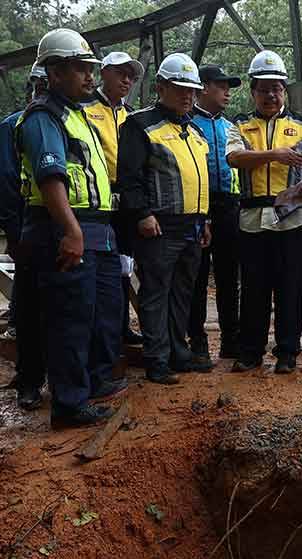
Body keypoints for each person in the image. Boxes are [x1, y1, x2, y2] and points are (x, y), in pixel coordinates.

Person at [16, 29, 123, 428]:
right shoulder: (43, 118)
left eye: (90, 69)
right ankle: (69, 404)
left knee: (96, 314)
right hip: (64, 228)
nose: (89, 77)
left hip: (94, 229)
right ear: (56, 72)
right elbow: (50, 177)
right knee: (70, 321)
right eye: (81, 69)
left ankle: (89, 389)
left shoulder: (75, 115)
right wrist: (71, 231)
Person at [226, 50, 302, 374]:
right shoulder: (240, 124)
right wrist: (274, 154)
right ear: (253, 91)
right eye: (263, 89)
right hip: (253, 218)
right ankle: (250, 352)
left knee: (290, 288)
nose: (270, 95)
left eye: (276, 88)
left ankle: (287, 353)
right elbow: (234, 158)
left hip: (293, 218)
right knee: (254, 288)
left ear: (284, 90)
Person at [117, 53, 212, 385]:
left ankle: (177, 352)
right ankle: (157, 360)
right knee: (156, 292)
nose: (188, 95)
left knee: (182, 293)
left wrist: (206, 219)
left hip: (193, 225)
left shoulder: (195, 131)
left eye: (192, 90)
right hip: (160, 226)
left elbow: (199, 179)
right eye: (179, 88)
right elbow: (129, 177)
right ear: (160, 87)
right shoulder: (140, 125)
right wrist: (142, 214)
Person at [82, 51, 145, 347]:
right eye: (121, 73)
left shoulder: (131, 114)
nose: (127, 80)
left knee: (123, 266)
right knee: (96, 268)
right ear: (103, 72)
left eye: (131, 75)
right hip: (96, 202)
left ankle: (120, 328)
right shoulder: (84, 108)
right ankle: (98, 333)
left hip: (126, 201)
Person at [188, 64, 242, 360]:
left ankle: (231, 340)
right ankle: (197, 343)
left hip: (230, 207)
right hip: (199, 206)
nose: (227, 92)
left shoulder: (230, 126)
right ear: (204, 87)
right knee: (196, 278)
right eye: (222, 86)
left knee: (228, 276)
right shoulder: (188, 124)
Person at [2, 65, 48, 410]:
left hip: (67, 224)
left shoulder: (74, 121)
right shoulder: (13, 126)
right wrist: (15, 234)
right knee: (31, 307)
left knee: (67, 308)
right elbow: (6, 183)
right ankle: (29, 381)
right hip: (29, 225)